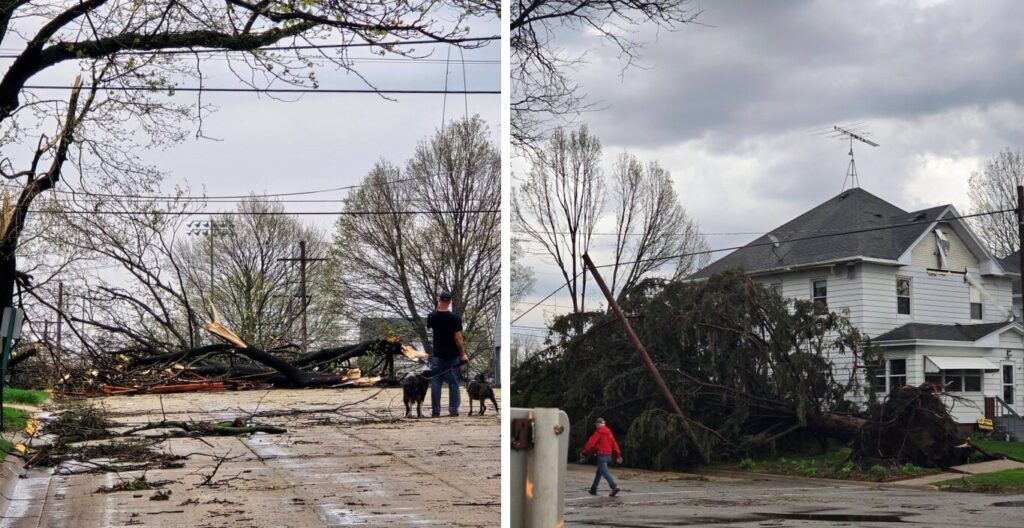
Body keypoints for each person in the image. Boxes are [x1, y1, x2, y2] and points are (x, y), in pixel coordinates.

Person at [426, 290, 467, 417]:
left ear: (439, 300)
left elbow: (433, 319)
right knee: (454, 383)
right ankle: (453, 410)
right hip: (452, 355)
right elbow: (458, 338)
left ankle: (436, 411)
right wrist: (462, 354)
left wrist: (438, 307)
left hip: (438, 354)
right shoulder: (455, 318)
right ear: (450, 302)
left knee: (436, 382)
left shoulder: (432, 316)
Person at [581, 417, 622, 496]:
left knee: (604, 472)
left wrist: (584, 453)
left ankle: (614, 487)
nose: (596, 426)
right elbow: (614, 444)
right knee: (599, 472)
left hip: (602, 456)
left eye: (596, 424)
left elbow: (591, 443)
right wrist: (618, 455)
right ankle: (593, 489)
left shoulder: (599, 432)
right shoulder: (609, 433)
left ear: (598, 424)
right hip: (609, 456)